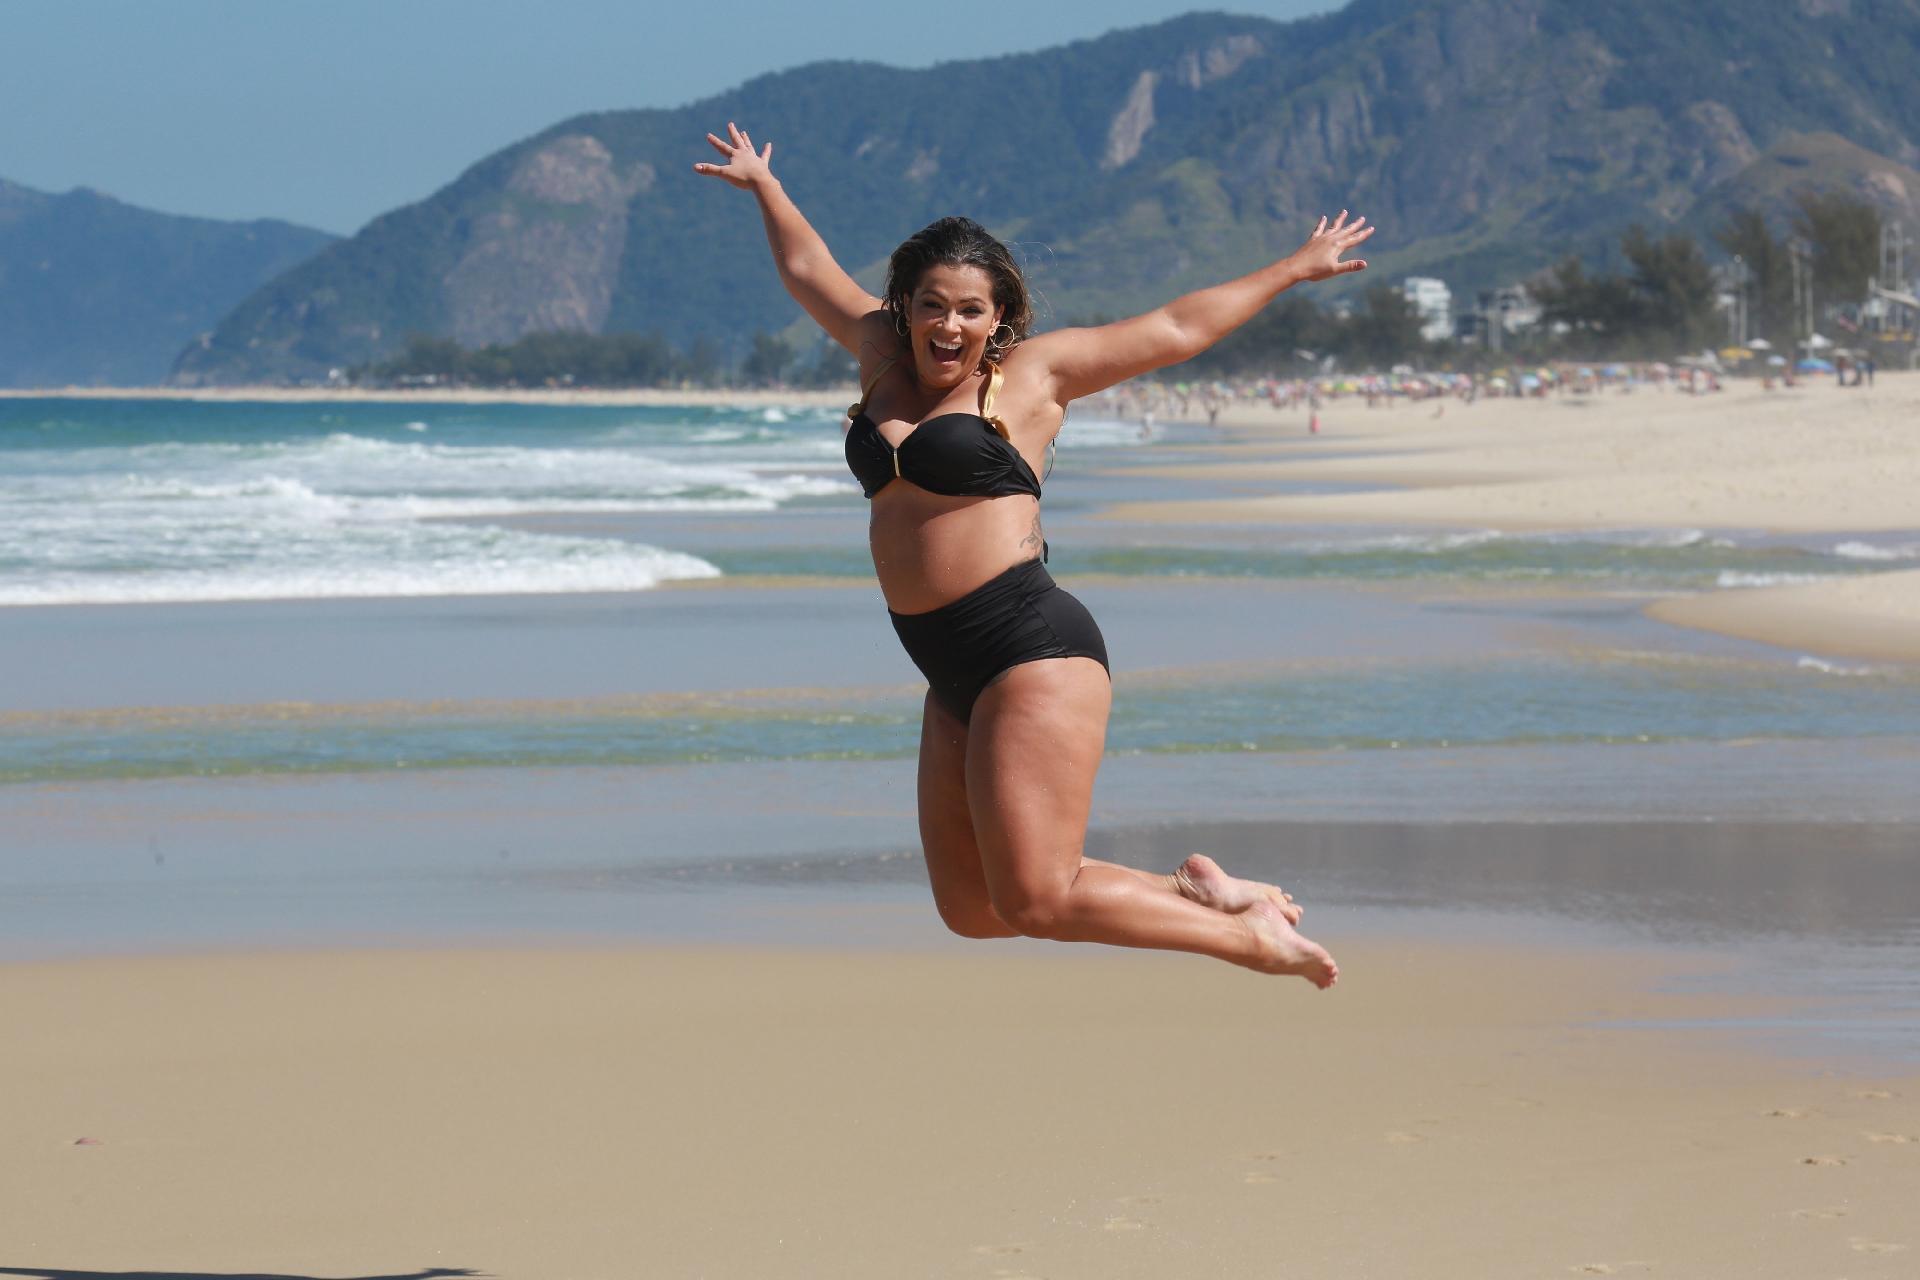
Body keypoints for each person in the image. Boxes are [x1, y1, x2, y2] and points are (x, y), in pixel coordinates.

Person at [696, 123, 1371, 985]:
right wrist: (765, 186)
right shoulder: (880, 357)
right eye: (932, 305)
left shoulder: (1031, 378)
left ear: (999, 318)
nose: (949, 325)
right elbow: (806, 269)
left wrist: (1292, 269)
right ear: (905, 307)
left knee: (1040, 897)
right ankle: (1197, 893)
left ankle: (1255, 941)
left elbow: (1174, 326)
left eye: (970, 309)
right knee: (974, 908)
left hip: (1030, 650)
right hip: (948, 670)